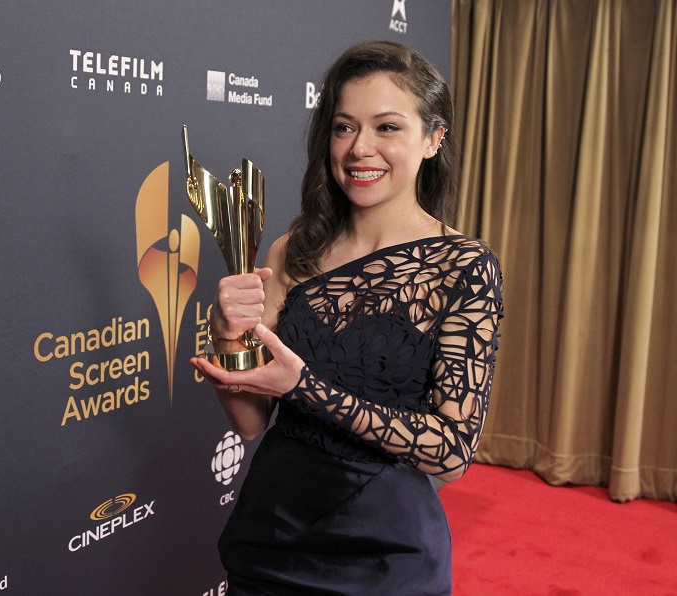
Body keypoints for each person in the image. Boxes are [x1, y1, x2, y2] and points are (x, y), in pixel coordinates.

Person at [191, 40, 503, 595]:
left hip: (383, 552)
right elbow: (251, 422)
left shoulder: (464, 267)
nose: (360, 148)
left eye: (387, 128)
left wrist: (307, 388)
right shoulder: (294, 249)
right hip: (273, 534)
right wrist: (227, 336)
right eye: (344, 127)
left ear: (433, 139)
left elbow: (452, 453)